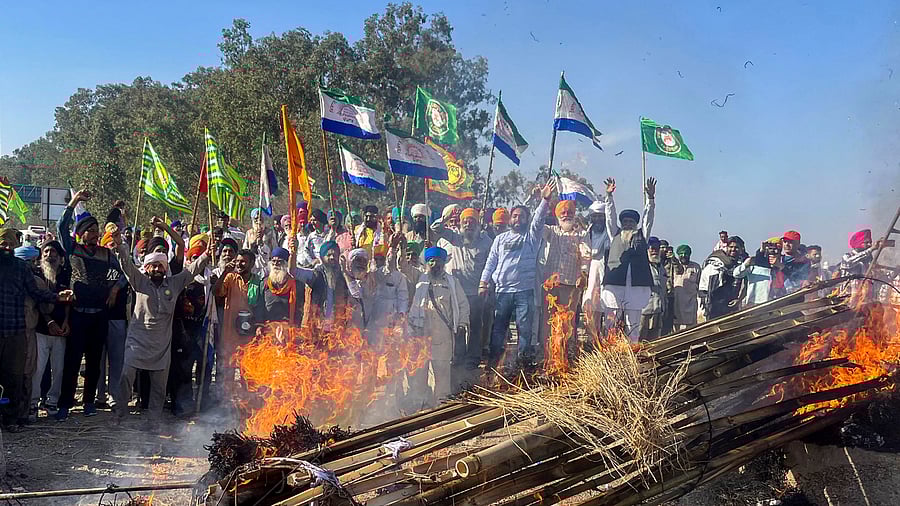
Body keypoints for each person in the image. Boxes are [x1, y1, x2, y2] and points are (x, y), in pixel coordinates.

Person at [113, 228, 209, 428]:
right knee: (126, 378)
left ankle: (154, 421)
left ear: (165, 268)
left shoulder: (174, 283)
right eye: (153, 266)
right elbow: (126, 265)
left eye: (160, 266)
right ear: (147, 268)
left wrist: (208, 254)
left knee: (159, 387)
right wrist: (120, 244)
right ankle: (120, 415)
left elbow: (192, 271)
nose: (157, 269)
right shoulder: (139, 282)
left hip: (161, 345)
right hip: (137, 343)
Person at [56, 190, 126, 421]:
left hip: (99, 315)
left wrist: (115, 288)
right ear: (80, 233)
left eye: (97, 230)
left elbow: (124, 273)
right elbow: (60, 228)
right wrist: (74, 202)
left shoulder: (106, 254)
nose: (95, 234)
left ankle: (88, 403)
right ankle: (65, 404)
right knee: (73, 361)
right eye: (91, 230)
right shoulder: (73, 250)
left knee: (95, 362)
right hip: (77, 314)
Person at [0, 228, 73, 432]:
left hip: (15, 331)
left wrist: (58, 297)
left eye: (10, 244)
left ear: (15, 246)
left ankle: (10, 419)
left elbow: (36, 293)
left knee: (13, 378)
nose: (6, 247)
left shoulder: (21, 269)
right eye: (3, 243)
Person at [480, 181, 553, 366]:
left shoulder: (531, 237)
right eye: (514, 216)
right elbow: (491, 262)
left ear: (527, 220)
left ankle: (523, 368)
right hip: (502, 292)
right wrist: (483, 282)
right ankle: (494, 366)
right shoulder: (500, 239)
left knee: (525, 332)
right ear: (509, 219)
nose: (517, 219)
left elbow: (538, 219)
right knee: (498, 331)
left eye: (521, 216)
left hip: (524, 292)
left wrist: (544, 200)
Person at [431, 207, 493, 376]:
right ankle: (458, 356)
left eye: (472, 221)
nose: (468, 224)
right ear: (460, 223)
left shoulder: (486, 241)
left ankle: (473, 357)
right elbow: (434, 228)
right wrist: (446, 217)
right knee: (458, 325)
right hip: (457, 291)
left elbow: (492, 264)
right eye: (465, 221)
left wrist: (486, 286)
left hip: (476, 292)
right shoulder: (454, 237)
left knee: (475, 325)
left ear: (478, 224)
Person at [408, 247, 469, 405]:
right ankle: (420, 407)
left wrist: (462, 324)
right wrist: (399, 246)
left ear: (443, 263)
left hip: (442, 335)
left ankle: (441, 407)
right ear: (427, 263)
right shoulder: (419, 279)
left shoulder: (452, 282)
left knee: (441, 372)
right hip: (421, 333)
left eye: (438, 261)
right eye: (431, 261)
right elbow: (403, 268)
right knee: (420, 372)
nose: (434, 264)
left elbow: (463, 305)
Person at [600, 177, 657, 341]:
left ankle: (632, 353)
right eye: (625, 222)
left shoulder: (642, 235)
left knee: (633, 326)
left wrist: (651, 199)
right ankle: (610, 353)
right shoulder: (614, 234)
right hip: (615, 284)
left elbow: (648, 219)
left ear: (635, 224)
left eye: (631, 222)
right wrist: (609, 197)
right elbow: (610, 216)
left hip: (636, 286)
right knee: (611, 323)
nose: (628, 224)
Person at [539, 198, 589, 354]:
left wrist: (583, 273)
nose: (566, 215)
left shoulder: (582, 233)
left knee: (568, 320)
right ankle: (547, 354)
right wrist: (543, 201)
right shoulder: (551, 231)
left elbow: (586, 255)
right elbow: (536, 225)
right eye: (563, 212)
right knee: (548, 319)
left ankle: (565, 354)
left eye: (570, 212)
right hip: (551, 284)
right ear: (557, 215)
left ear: (574, 215)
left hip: (571, 284)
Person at [32, 240, 71, 418]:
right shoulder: (36, 274)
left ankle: (52, 401)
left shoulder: (66, 274)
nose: (49, 255)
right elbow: (37, 301)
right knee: (37, 369)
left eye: (53, 252)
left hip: (61, 331)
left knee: (59, 369)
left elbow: (70, 299)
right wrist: (48, 322)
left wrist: (66, 322)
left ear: (60, 257)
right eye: (46, 252)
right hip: (40, 329)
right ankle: (33, 403)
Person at [213, 248, 260, 394]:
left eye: (243, 262)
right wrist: (224, 273)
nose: (239, 264)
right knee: (227, 370)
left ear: (251, 263)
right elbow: (216, 292)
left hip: (249, 336)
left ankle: (247, 403)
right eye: (238, 261)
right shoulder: (230, 278)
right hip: (230, 334)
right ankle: (223, 403)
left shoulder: (258, 281)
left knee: (247, 372)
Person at [15, 245, 43, 423]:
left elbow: (46, 305)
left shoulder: (36, 282)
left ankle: (23, 413)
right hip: (10, 331)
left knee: (27, 372)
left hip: (28, 331)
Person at [293, 241, 350, 327]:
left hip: (336, 329)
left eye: (335, 255)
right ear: (322, 257)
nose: (332, 257)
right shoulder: (315, 274)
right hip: (317, 326)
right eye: (329, 255)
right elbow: (292, 271)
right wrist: (293, 252)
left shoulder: (343, 278)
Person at [366, 239, 409, 341]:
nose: (378, 262)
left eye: (381, 259)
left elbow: (403, 297)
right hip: (375, 316)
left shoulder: (398, 276)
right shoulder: (372, 274)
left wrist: (401, 313)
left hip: (391, 315)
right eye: (376, 259)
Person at [581, 200, 610, 339]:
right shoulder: (586, 234)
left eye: (601, 216)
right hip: (589, 275)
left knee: (608, 309)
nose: (598, 219)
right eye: (595, 216)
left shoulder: (611, 233)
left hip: (607, 275)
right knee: (590, 309)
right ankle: (592, 342)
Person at [699, 236, 746, 319]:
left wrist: (739, 300)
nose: (733, 249)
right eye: (731, 247)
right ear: (726, 247)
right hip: (714, 305)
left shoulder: (743, 265)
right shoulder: (715, 263)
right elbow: (704, 284)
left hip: (732, 304)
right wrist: (706, 303)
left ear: (741, 249)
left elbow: (746, 285)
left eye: (736, 247)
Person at [255, 247, 302, 324]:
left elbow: (299, 309)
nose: (275, 264)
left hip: (289, 327)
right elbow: (260, 307)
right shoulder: (264, 283)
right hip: (268, 327)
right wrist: (259, 325)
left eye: (279, 261)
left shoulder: (297, 285)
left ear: (286, 264)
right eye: (273, 261)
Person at [734, 238, 781, 308]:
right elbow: (736, 274)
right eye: (770, 249)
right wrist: (745, 265)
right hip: (754, 303)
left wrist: (779, 265)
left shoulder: (782, 265)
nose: (773, 251)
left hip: (774, 303)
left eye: (776, 249)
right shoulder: (754, 264)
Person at [840, 229, 882, 302]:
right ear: (858, 243)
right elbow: (848, 263)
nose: (869, 245)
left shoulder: (869, 259)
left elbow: (877, 276)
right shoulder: (847, 256)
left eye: (870, 242)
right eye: (866, 242)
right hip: (848, 297)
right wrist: (871, 249)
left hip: (865, 297)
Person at [639, 237, 667, 340]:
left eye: (656, 248)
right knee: (639, 338)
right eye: (651, 248)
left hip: (658, 309)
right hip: (644, 310)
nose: (654, 251)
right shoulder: (642, 266)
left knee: (654, 341)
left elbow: (663, 289)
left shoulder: (661, 268)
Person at [671, 245, 702, 330]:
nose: (684, 256)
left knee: (691, 326)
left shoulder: (696, 267)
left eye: (686, 254)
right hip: (676, 301)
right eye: (681, 254)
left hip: (691, 302)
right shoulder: (673, 266)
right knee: (675, 326)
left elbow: (700, 284)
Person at [243, 208, 276, 274]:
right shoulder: (249, 233)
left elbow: (274, 247)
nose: (258, 221)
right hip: (252, 264)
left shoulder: (270, 232)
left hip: (266, 264)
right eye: (256, 219)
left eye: (260, 219)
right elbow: (245, 249)